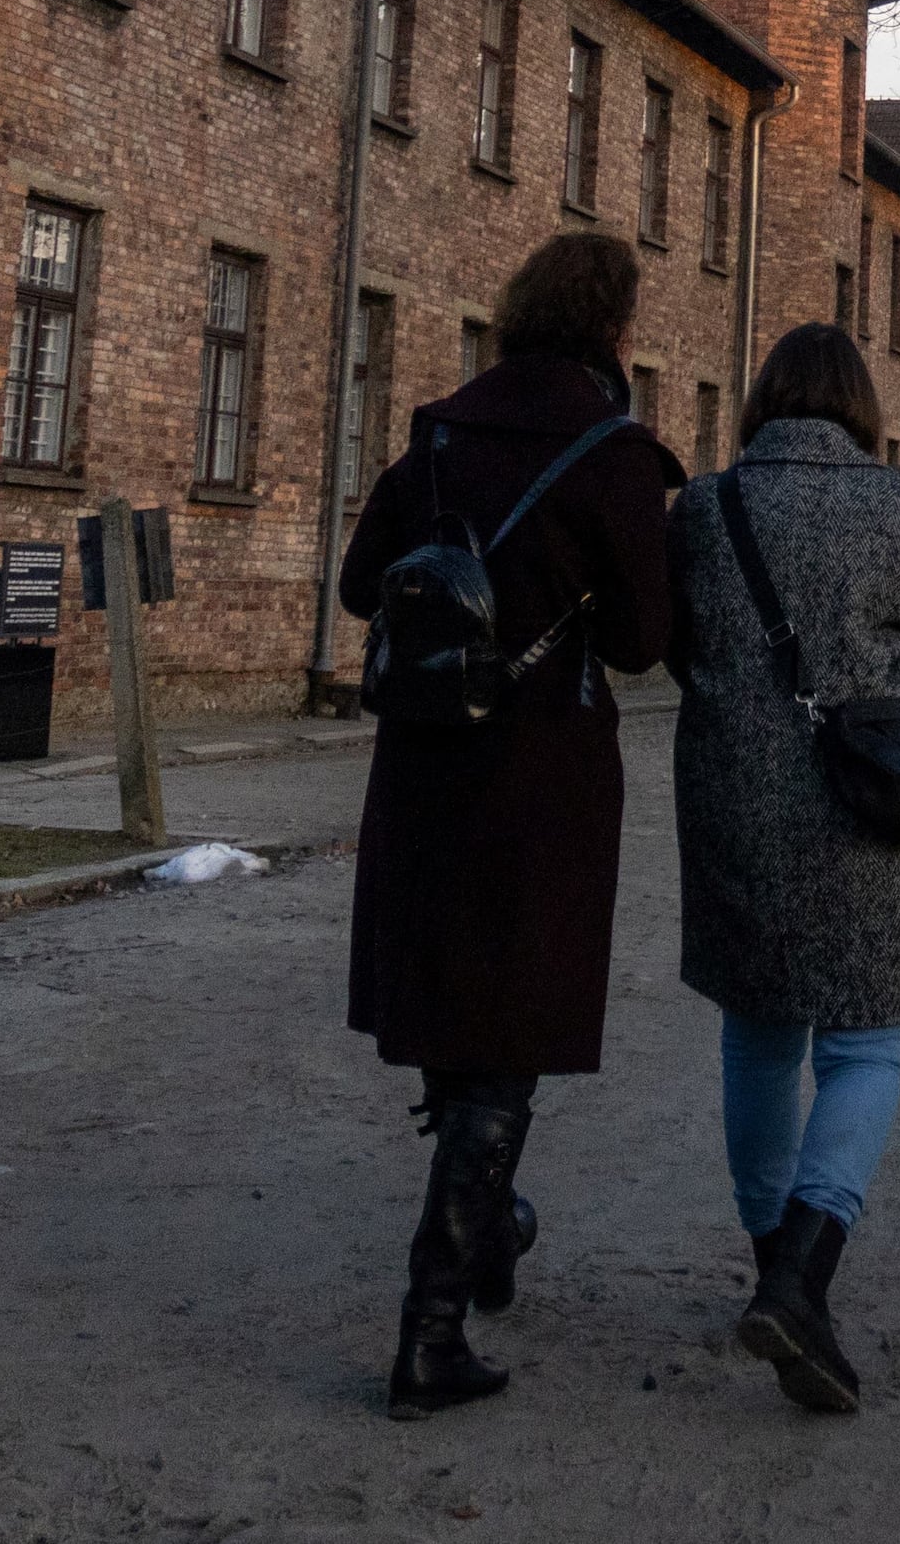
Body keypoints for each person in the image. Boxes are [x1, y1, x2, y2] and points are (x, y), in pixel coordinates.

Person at [334, 231, 683, 1416]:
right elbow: (643, 638)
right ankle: (429, 1330)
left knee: (452, 997)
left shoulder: (437, 430)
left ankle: (485, 1234)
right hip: (540, 779)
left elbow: (357, 581)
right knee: (511, 1027)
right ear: (614, 329)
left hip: (425, 766)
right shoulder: (611, 453)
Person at [669, 321, 900, 1413]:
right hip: (865, 812)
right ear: (859, 408)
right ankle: (805, 1269)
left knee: (755, 1035)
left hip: (735, 814)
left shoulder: (705, 509)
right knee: (866, 1043)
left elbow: (678, 642)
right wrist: (883, 718)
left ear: (761, 401)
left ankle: (770, 1265)